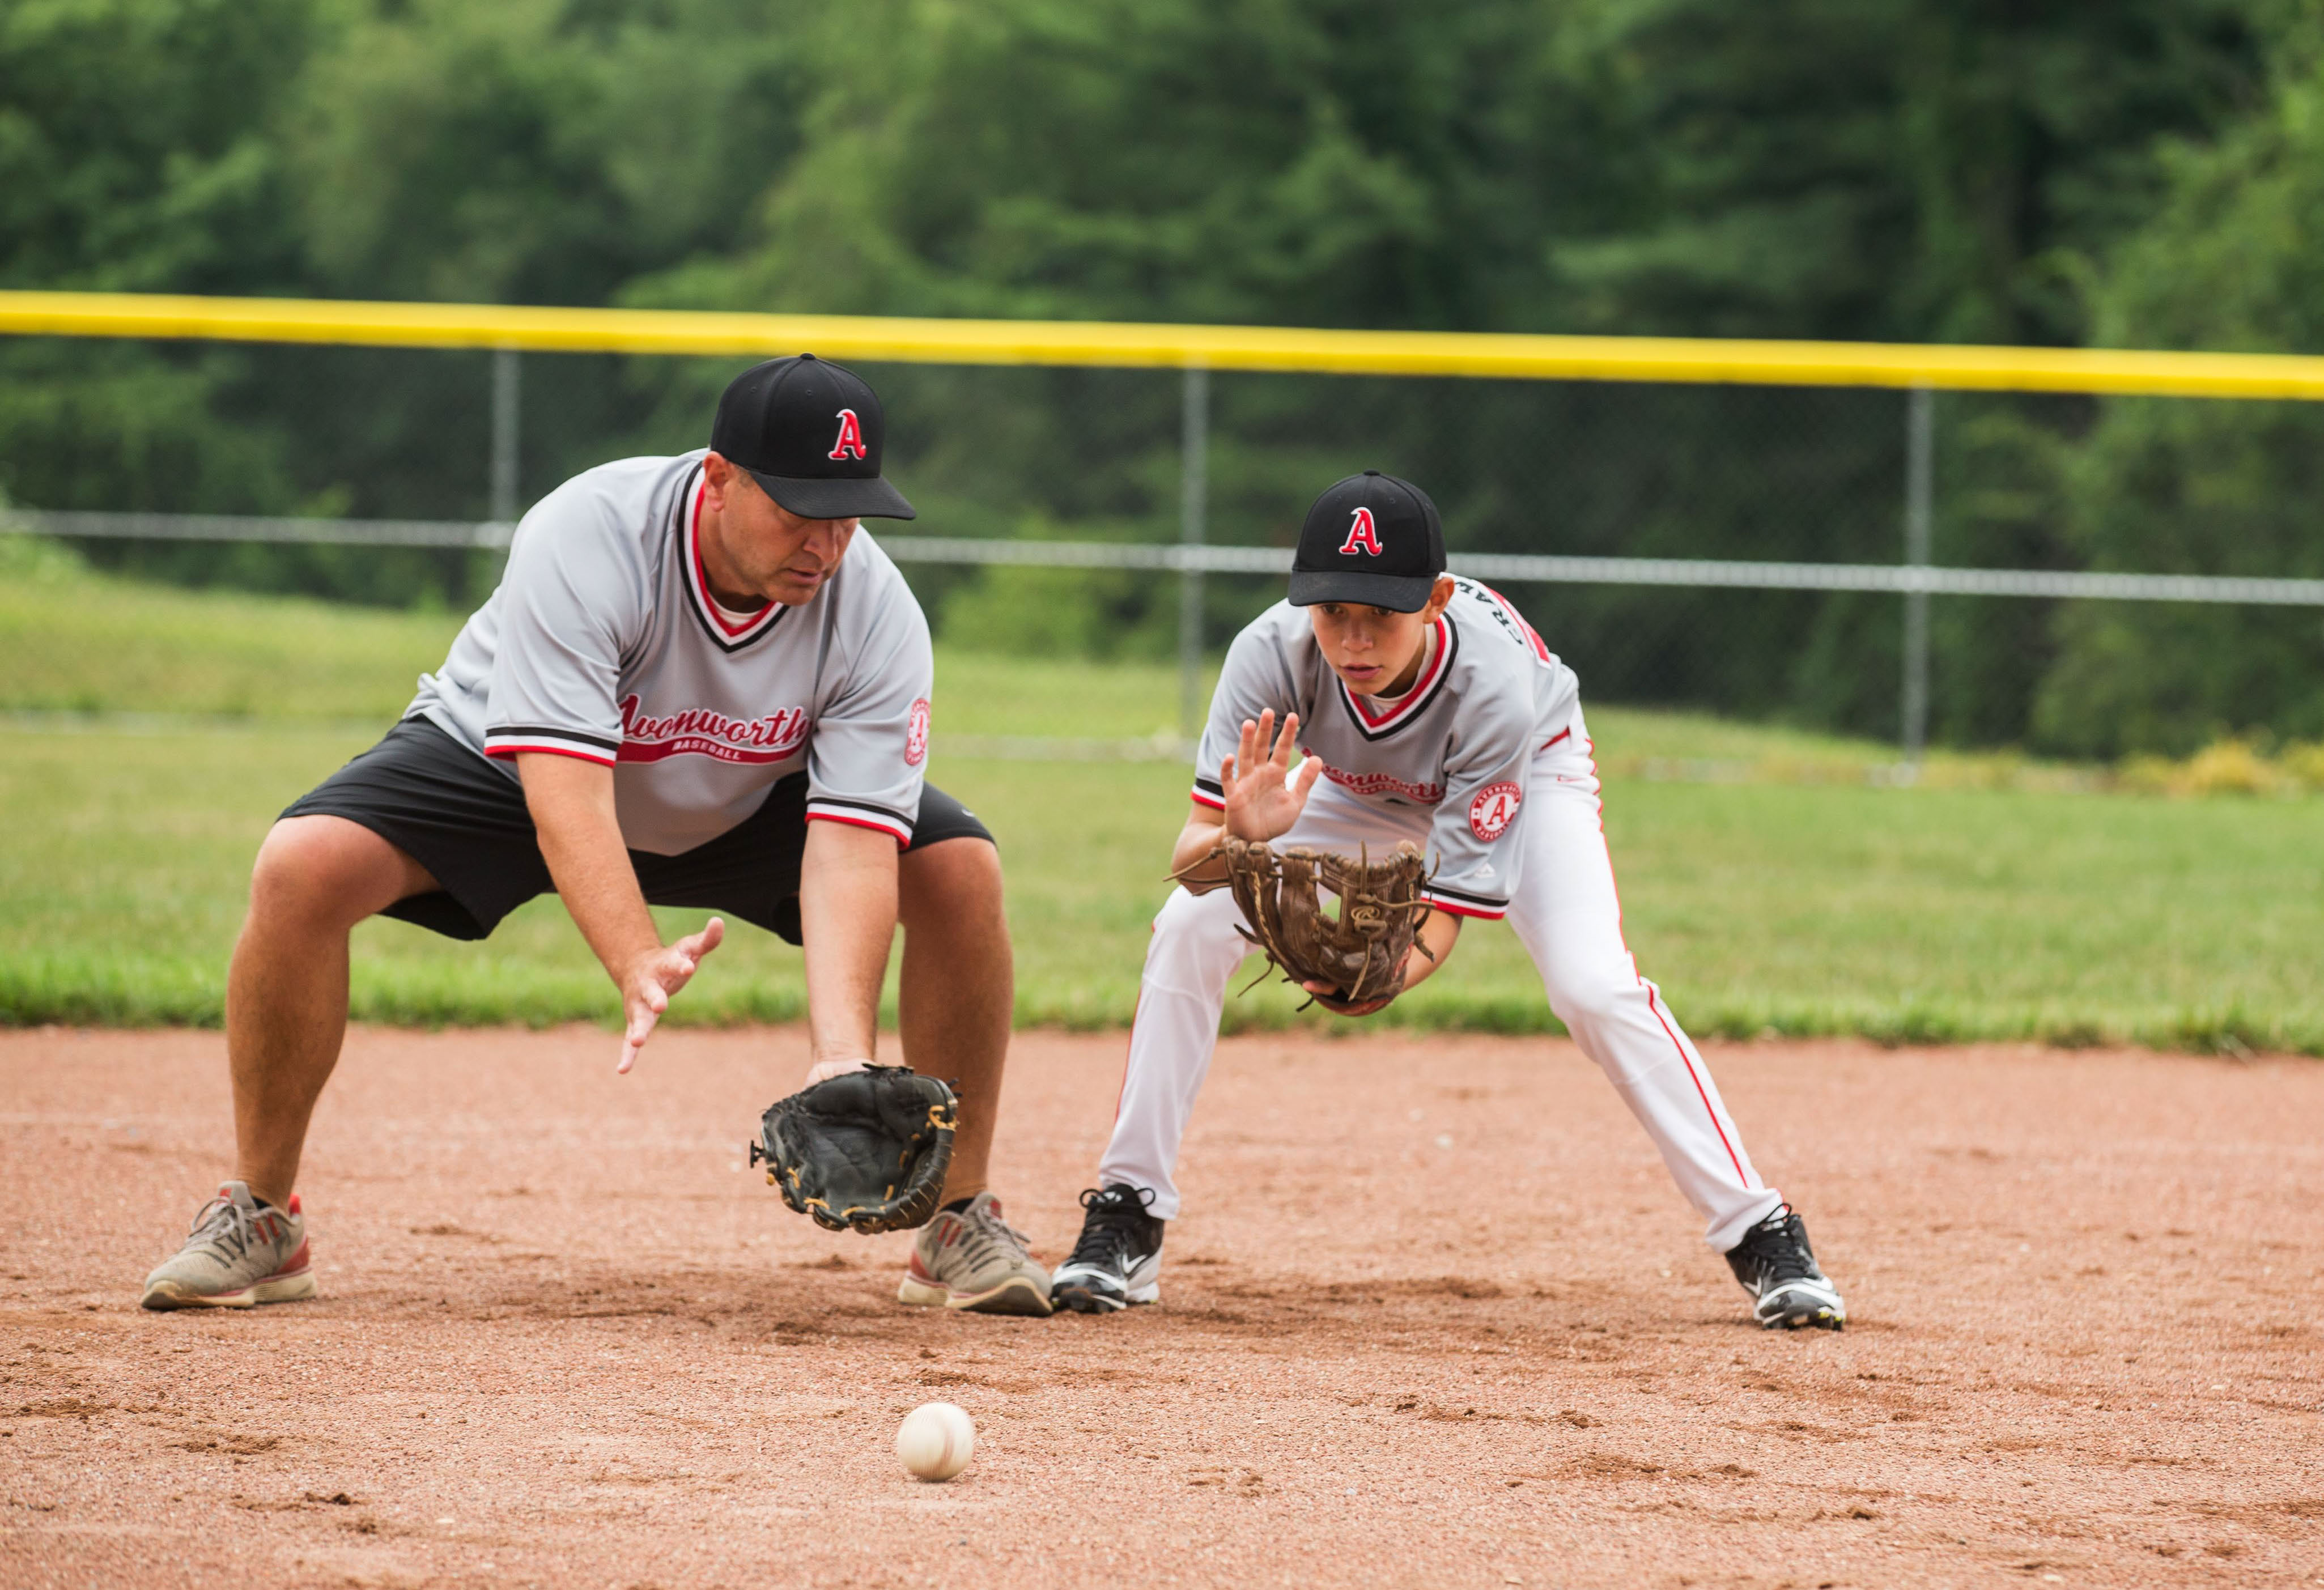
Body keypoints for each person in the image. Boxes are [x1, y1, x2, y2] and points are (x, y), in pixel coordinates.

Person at [141, 355, 1050, 1317]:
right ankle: (262, 1216)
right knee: (302, 865)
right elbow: (567, 793)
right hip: (509, 767)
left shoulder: (875, 612)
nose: (825, 543)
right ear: (719, 479)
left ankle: (955, 1221)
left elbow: (854, 843)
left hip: (752, 795)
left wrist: (843, 1056)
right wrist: (633, 955)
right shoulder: (590, 533)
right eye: (797, 508)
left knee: (957, 869)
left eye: (847, 513)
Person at [1047, 471, 1847, 1330]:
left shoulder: (1492, 681)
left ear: (1433, 599)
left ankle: (1761, 1229)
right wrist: (1241, 839)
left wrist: (1374, 981)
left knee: (1593, 985)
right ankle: (1127, 1212)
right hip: (1337, 787)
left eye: (1379, 615)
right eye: (1332, 613)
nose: (1352, 639)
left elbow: (1448, 913)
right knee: (1188, 924)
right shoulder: (1267, 653)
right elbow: (1189, 857)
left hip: (1523, 770)